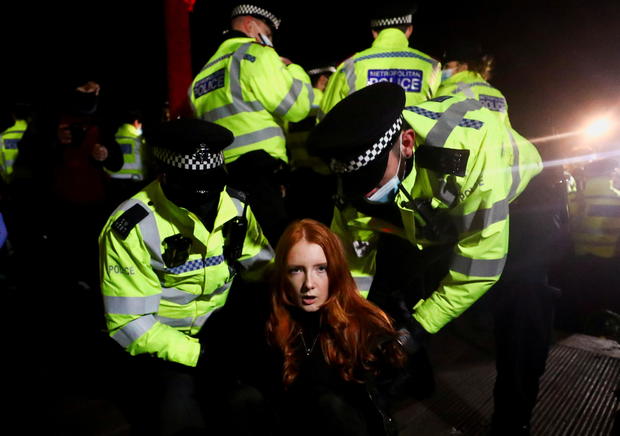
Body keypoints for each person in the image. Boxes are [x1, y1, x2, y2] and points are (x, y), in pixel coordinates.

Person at [306, 82, 543, 401]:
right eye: (357, 184)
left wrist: (418, 327)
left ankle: (514, 421)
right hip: (436, 210)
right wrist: (342, 320)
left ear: (406, 143)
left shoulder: (469, 155)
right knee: (392, 288)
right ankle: (413, 377)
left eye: (374, 179)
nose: (366, 193)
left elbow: (479, 264)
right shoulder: (357, 182)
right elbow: (353, 260)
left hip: (524, 198)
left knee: (523, 309)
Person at [98, 118, 275, 436]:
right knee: (180, 421)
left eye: (211, 187)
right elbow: (129, 322)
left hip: (224, 333)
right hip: (165, 346)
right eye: (192, 191)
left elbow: (263, 268)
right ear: (164, 174)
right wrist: (201, 356)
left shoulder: (234, 204)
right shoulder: (133, 226)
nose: (205, 201)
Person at [265, 218, 411, 436]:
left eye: (321, 269)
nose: (309, 284)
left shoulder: (365, 327)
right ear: (283, 275)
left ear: (335, 270)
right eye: (296, 270)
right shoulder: (274, 323)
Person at [188, 2, 315, 246]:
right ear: (250, 25)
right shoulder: (257, 55)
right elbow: (297, 108)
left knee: (239, 250)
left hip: (221, 178)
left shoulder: (202, 75)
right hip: (260, 175)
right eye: (267, 34)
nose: (270, 41)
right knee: (276, 249)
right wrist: (293, 70)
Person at [319, 2, 441, 120]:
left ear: (374, 33)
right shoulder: (432, 66)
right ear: (409, 30)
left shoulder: (350, 66)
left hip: (364, 141)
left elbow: (327, 116)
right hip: (411, 140)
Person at [436, 38, 511, 127]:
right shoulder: (497, 95)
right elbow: (506, 131)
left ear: (463, 67)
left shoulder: (449, 90)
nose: (443, 71)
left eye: (447, 66)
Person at [104, 107, 152, 211]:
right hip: (134, 185)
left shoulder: (113, 138)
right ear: (136, 122)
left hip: (112, 183)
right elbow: (148, 160)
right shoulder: (140, 140)